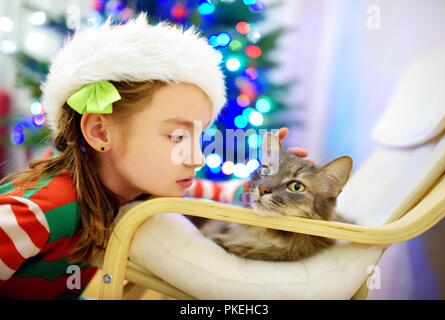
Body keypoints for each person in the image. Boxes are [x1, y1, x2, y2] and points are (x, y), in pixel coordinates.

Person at [0, 13, 309, 299]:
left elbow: (213, 193)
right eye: (177, 136)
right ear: (100, 132)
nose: (198, 158)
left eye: (199, 137)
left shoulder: (137, 190)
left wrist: (268, 182)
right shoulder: (39, 212)